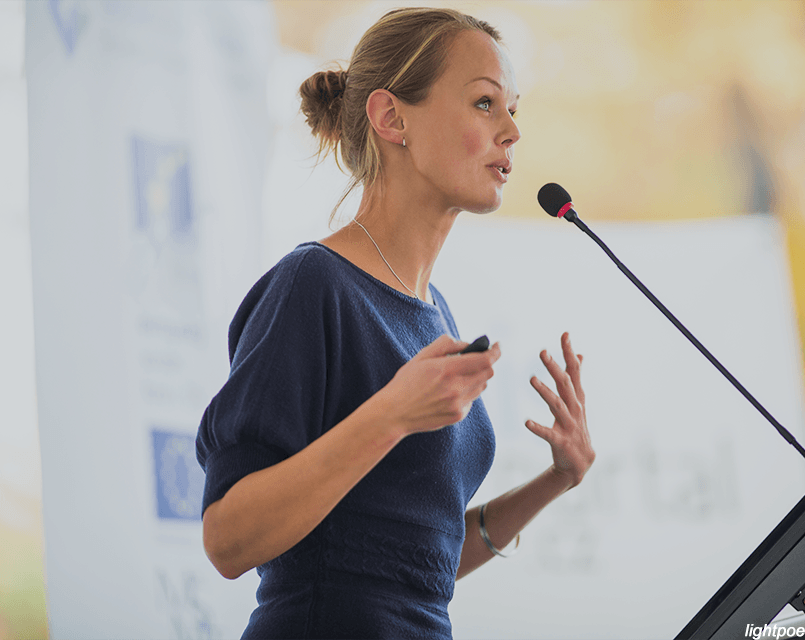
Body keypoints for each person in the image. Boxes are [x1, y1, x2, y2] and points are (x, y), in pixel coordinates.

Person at [196, 7, 595, 639]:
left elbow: (409, 568)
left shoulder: (434, 310)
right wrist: (392, 415)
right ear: (391, 118)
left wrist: (555, 481)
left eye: (515, 108)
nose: (514, 129)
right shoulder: (313, 285)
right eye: (486, 103)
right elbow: (227, 539)